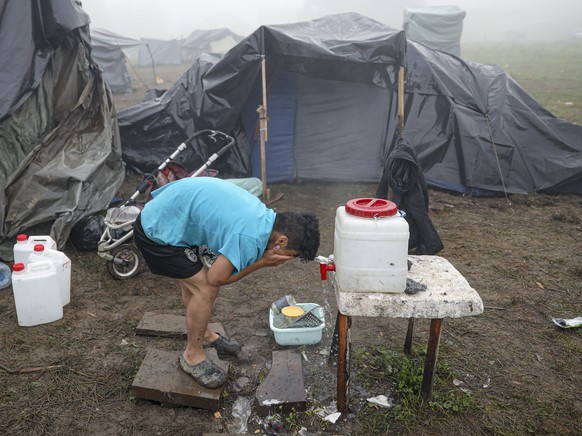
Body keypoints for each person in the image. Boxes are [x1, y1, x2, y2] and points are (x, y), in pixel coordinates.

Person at [133, 177, 320, 388]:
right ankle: (192, 357)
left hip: (173, 216)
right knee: (205, 288)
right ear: (282, 241)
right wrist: (262, 262)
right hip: (157, 230)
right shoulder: (251, 236)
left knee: (194, 281)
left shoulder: (263, 216)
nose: (286, 260)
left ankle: (203, 336)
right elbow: (217, 277)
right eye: (291, 255)